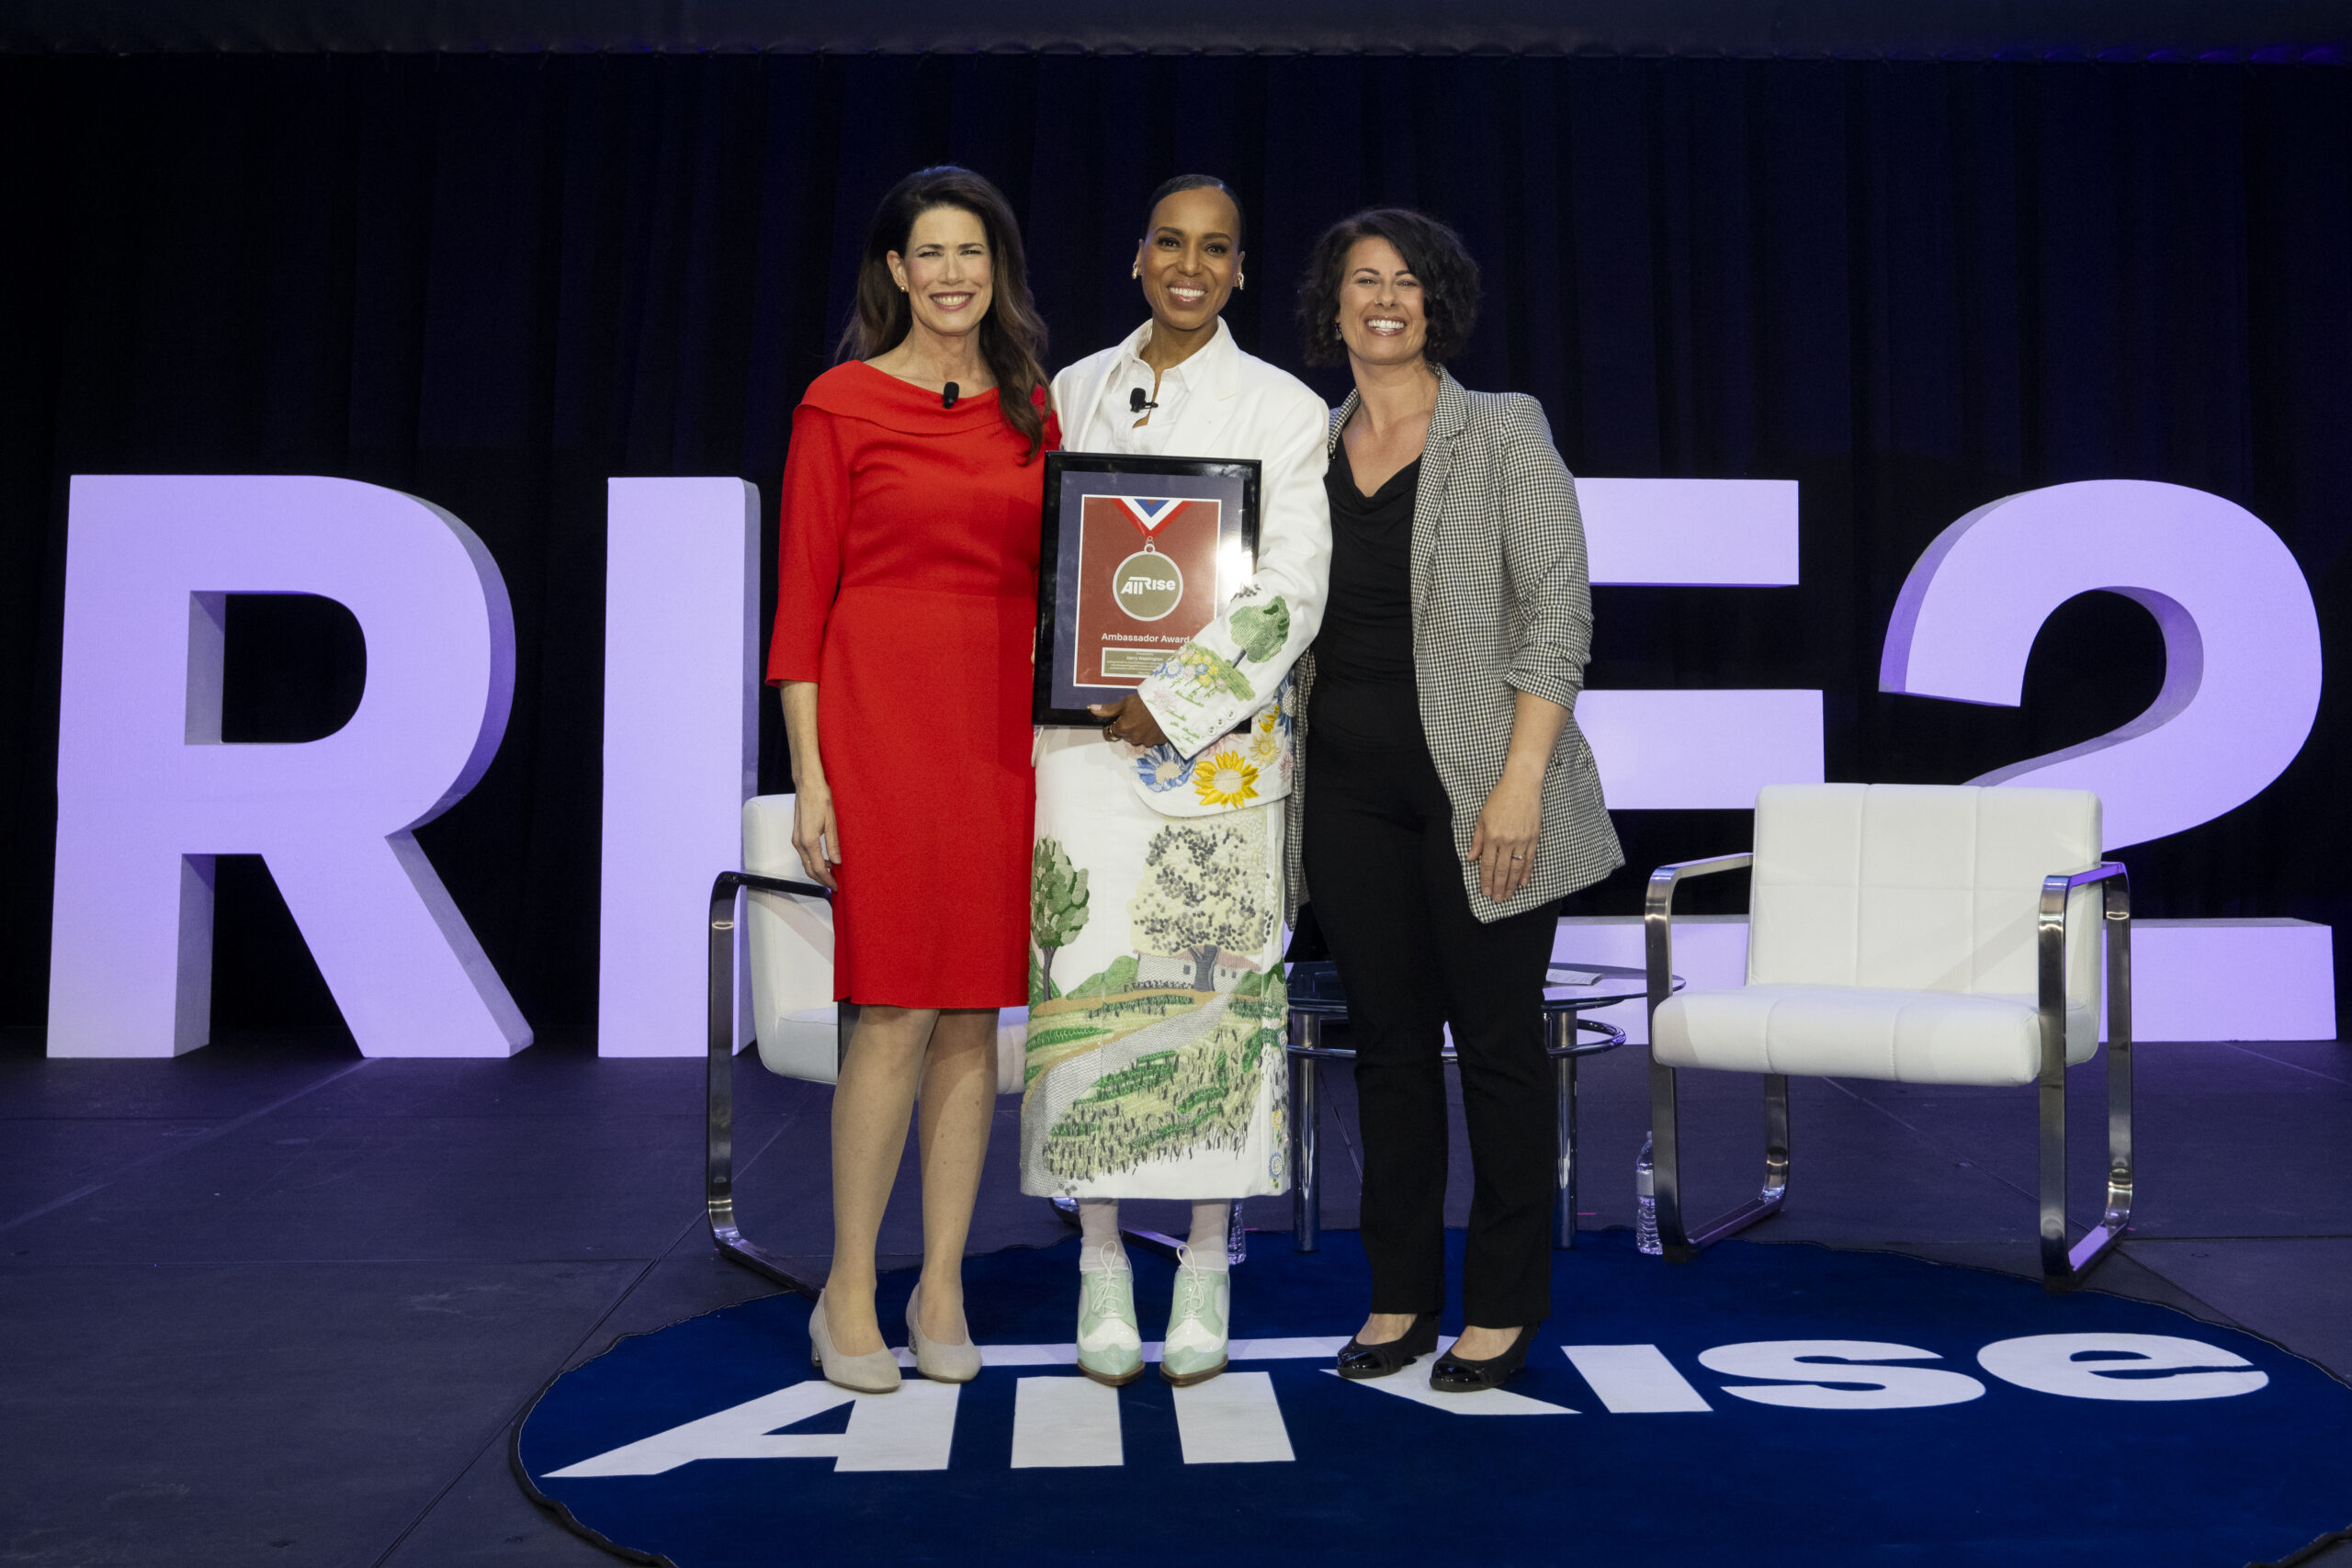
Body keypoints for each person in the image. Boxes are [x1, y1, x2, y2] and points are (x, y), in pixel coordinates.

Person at [1289, 208, 1622, 1392]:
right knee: (1383, 1051)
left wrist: (1521, 778)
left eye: (1409, 283)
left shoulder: (1500, 429)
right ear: (1331, 308)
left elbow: (1557, 612)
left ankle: (1504, 1308)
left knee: (1494, 1048)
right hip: (1341, 790)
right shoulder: (1303, 445)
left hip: (1487, 789)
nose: (1386, 299)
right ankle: (1398, 1301)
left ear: (1438, 304)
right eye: (1362, 280)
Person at [1021, 175, 1331, 1388]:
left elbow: (1291, 589)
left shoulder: (1285, 407)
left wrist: (1181, 694)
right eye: (1170, 243)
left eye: (1215, 250)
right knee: (1084, 1010)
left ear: (1242, 270)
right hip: (1081, 756)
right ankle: (1099, 1259)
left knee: (1213, 1020)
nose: (1189, 266)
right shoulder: (1072, 390)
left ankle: (1206, 1257)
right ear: (1138, 255)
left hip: (1217, 761)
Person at [769, 166, 1058, 1394]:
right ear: (894, 271)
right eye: (929, 254)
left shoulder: (1035, 414)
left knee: (970, 1025)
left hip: (1000, 744)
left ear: (997, 272)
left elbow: (1070, 584)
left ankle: (940, 1283)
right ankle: (848, 1290)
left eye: (972, 255)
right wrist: (811, 775)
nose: (951, 276)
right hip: (880, 737)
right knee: (888, 1015)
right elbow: (801, 608)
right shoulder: (838, 404)